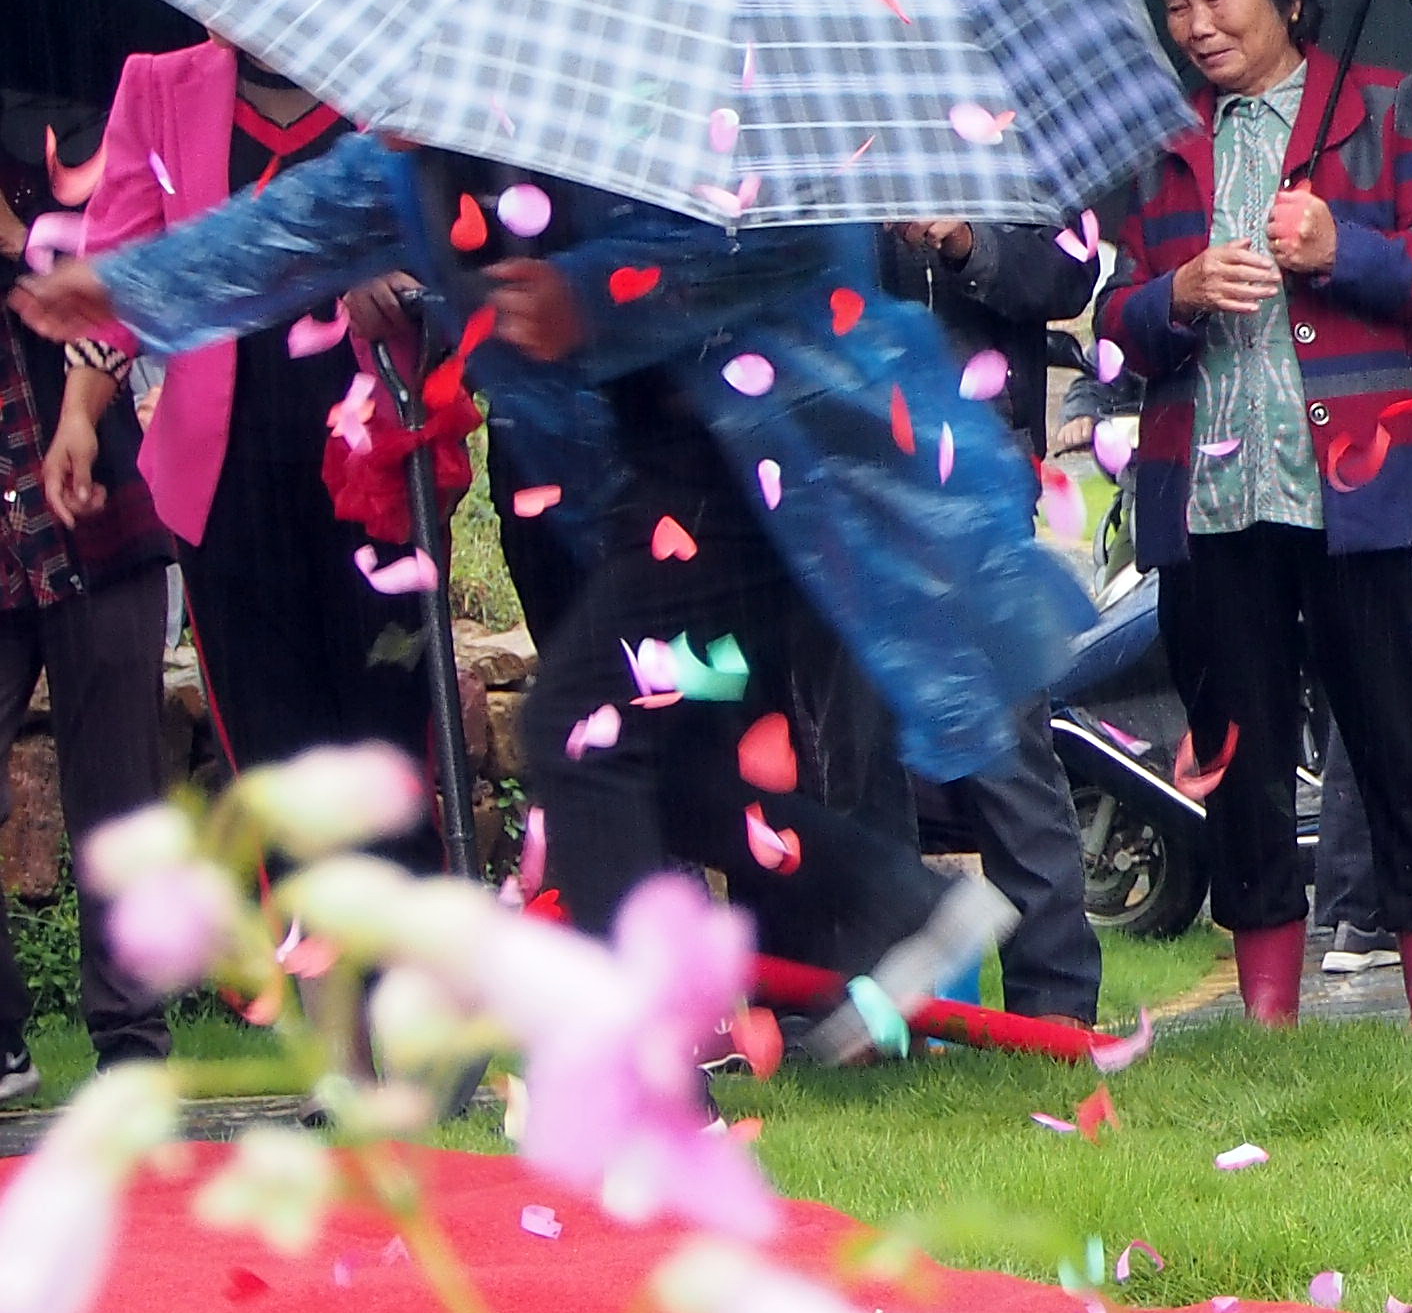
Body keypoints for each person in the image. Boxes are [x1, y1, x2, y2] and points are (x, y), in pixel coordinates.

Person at [30, 138, 1080, 974]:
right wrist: (126, 288)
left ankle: (651, 1069)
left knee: (581, 727)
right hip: (636, 476)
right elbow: (290, 227)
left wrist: (596, 291)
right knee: (659, 755)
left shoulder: (617, 109)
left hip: (774, 443)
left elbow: (781, 238)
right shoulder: (413, 153)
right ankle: (908, 905)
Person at [1103, 0, 1412, 1030]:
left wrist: (1344, 249)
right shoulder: (1163, 139)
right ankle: (1269, 1005)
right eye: (1177, 5)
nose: (1195, 25)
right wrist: (1172, 296)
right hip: (1211, 492)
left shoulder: (1381, 106)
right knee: (1235, 743)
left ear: (1289, 2)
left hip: (1360, 484)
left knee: (1393, 728)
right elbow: (1117, 321)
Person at [57, 42, 438, 842]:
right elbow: (122, 270)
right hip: (227, 497)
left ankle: (405, 962)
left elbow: (464, 242)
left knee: (389, 771)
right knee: (276, 780)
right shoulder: (158, 88)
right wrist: (80, 417)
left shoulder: (400, 86)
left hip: (376, 492)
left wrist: (405, 280)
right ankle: (305, 965)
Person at [881, 214, 1110, 1022]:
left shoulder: (995, 125)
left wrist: (965, 243)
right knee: (851, 746)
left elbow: (1067, 274)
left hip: (976, 474)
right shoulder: (811, 120)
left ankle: (1053, 1000)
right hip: (837, 477)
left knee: (1009, 743)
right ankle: (875, 1000)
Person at [0, 146, 173, 1101]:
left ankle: (132, 1045)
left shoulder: (56, 171)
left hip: (96, 530)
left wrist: (22, 240)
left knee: (116, 798)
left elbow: (119, 303)